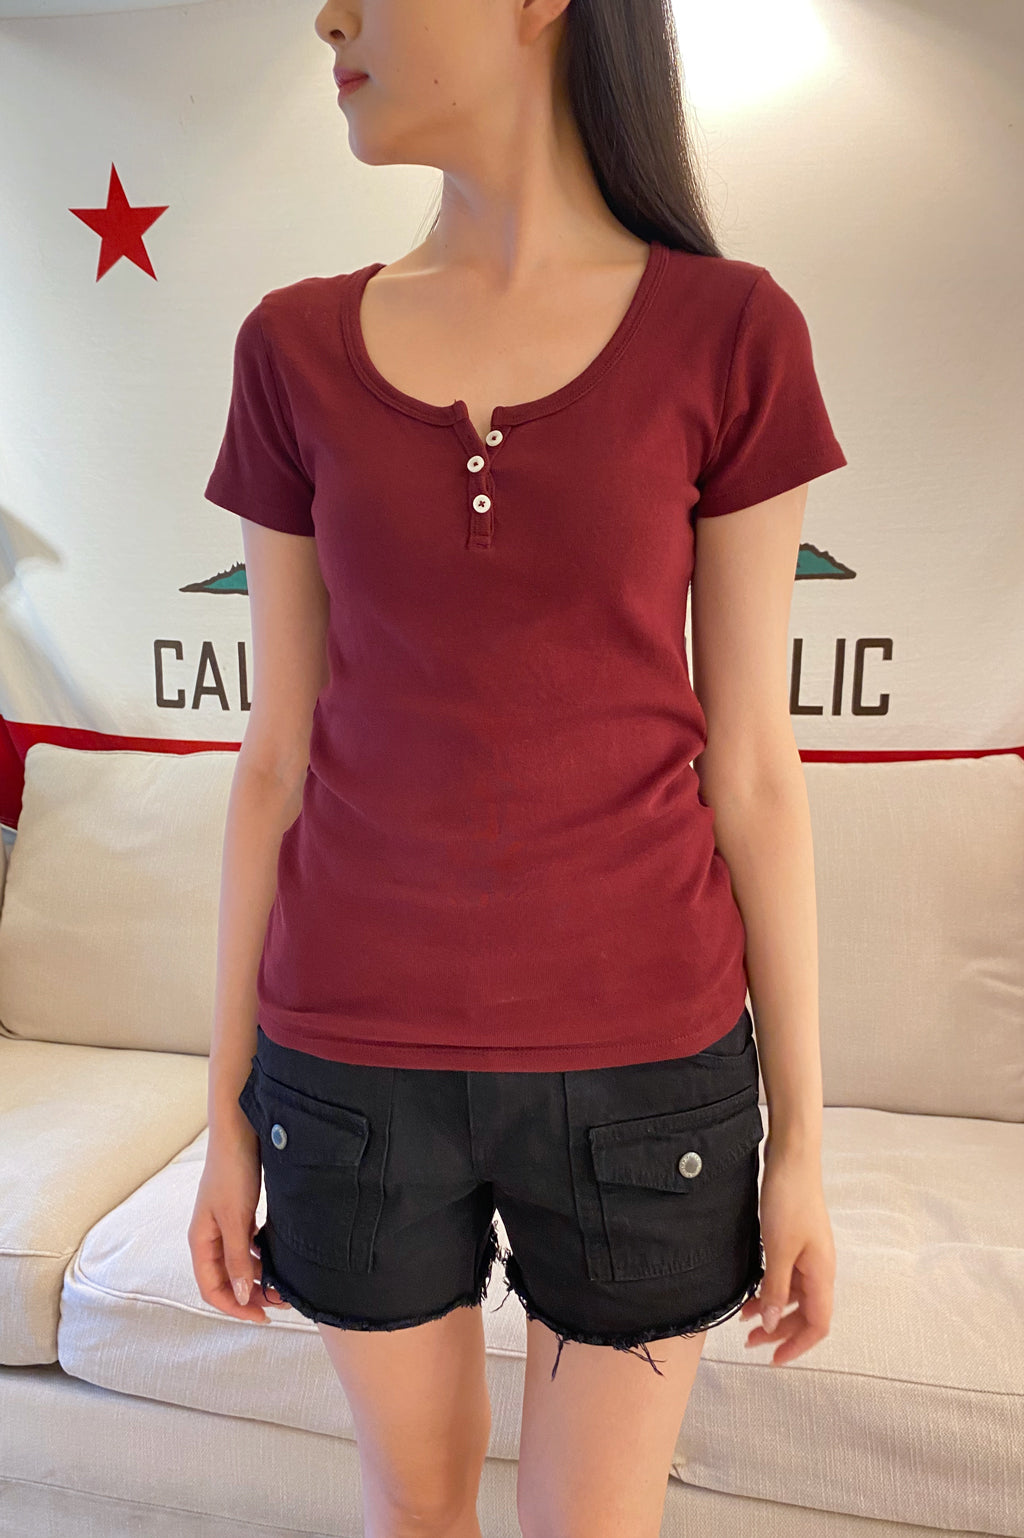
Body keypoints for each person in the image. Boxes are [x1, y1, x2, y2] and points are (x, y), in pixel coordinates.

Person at [190, 0, 844, 1532]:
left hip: (648, 1070)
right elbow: (274, 757)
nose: (328, 15)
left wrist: (808, 1144)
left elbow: (754, 764)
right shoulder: (291, 347)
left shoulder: (733, 332)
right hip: (347, 1065)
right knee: (413, 1510)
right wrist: (220, 1112)